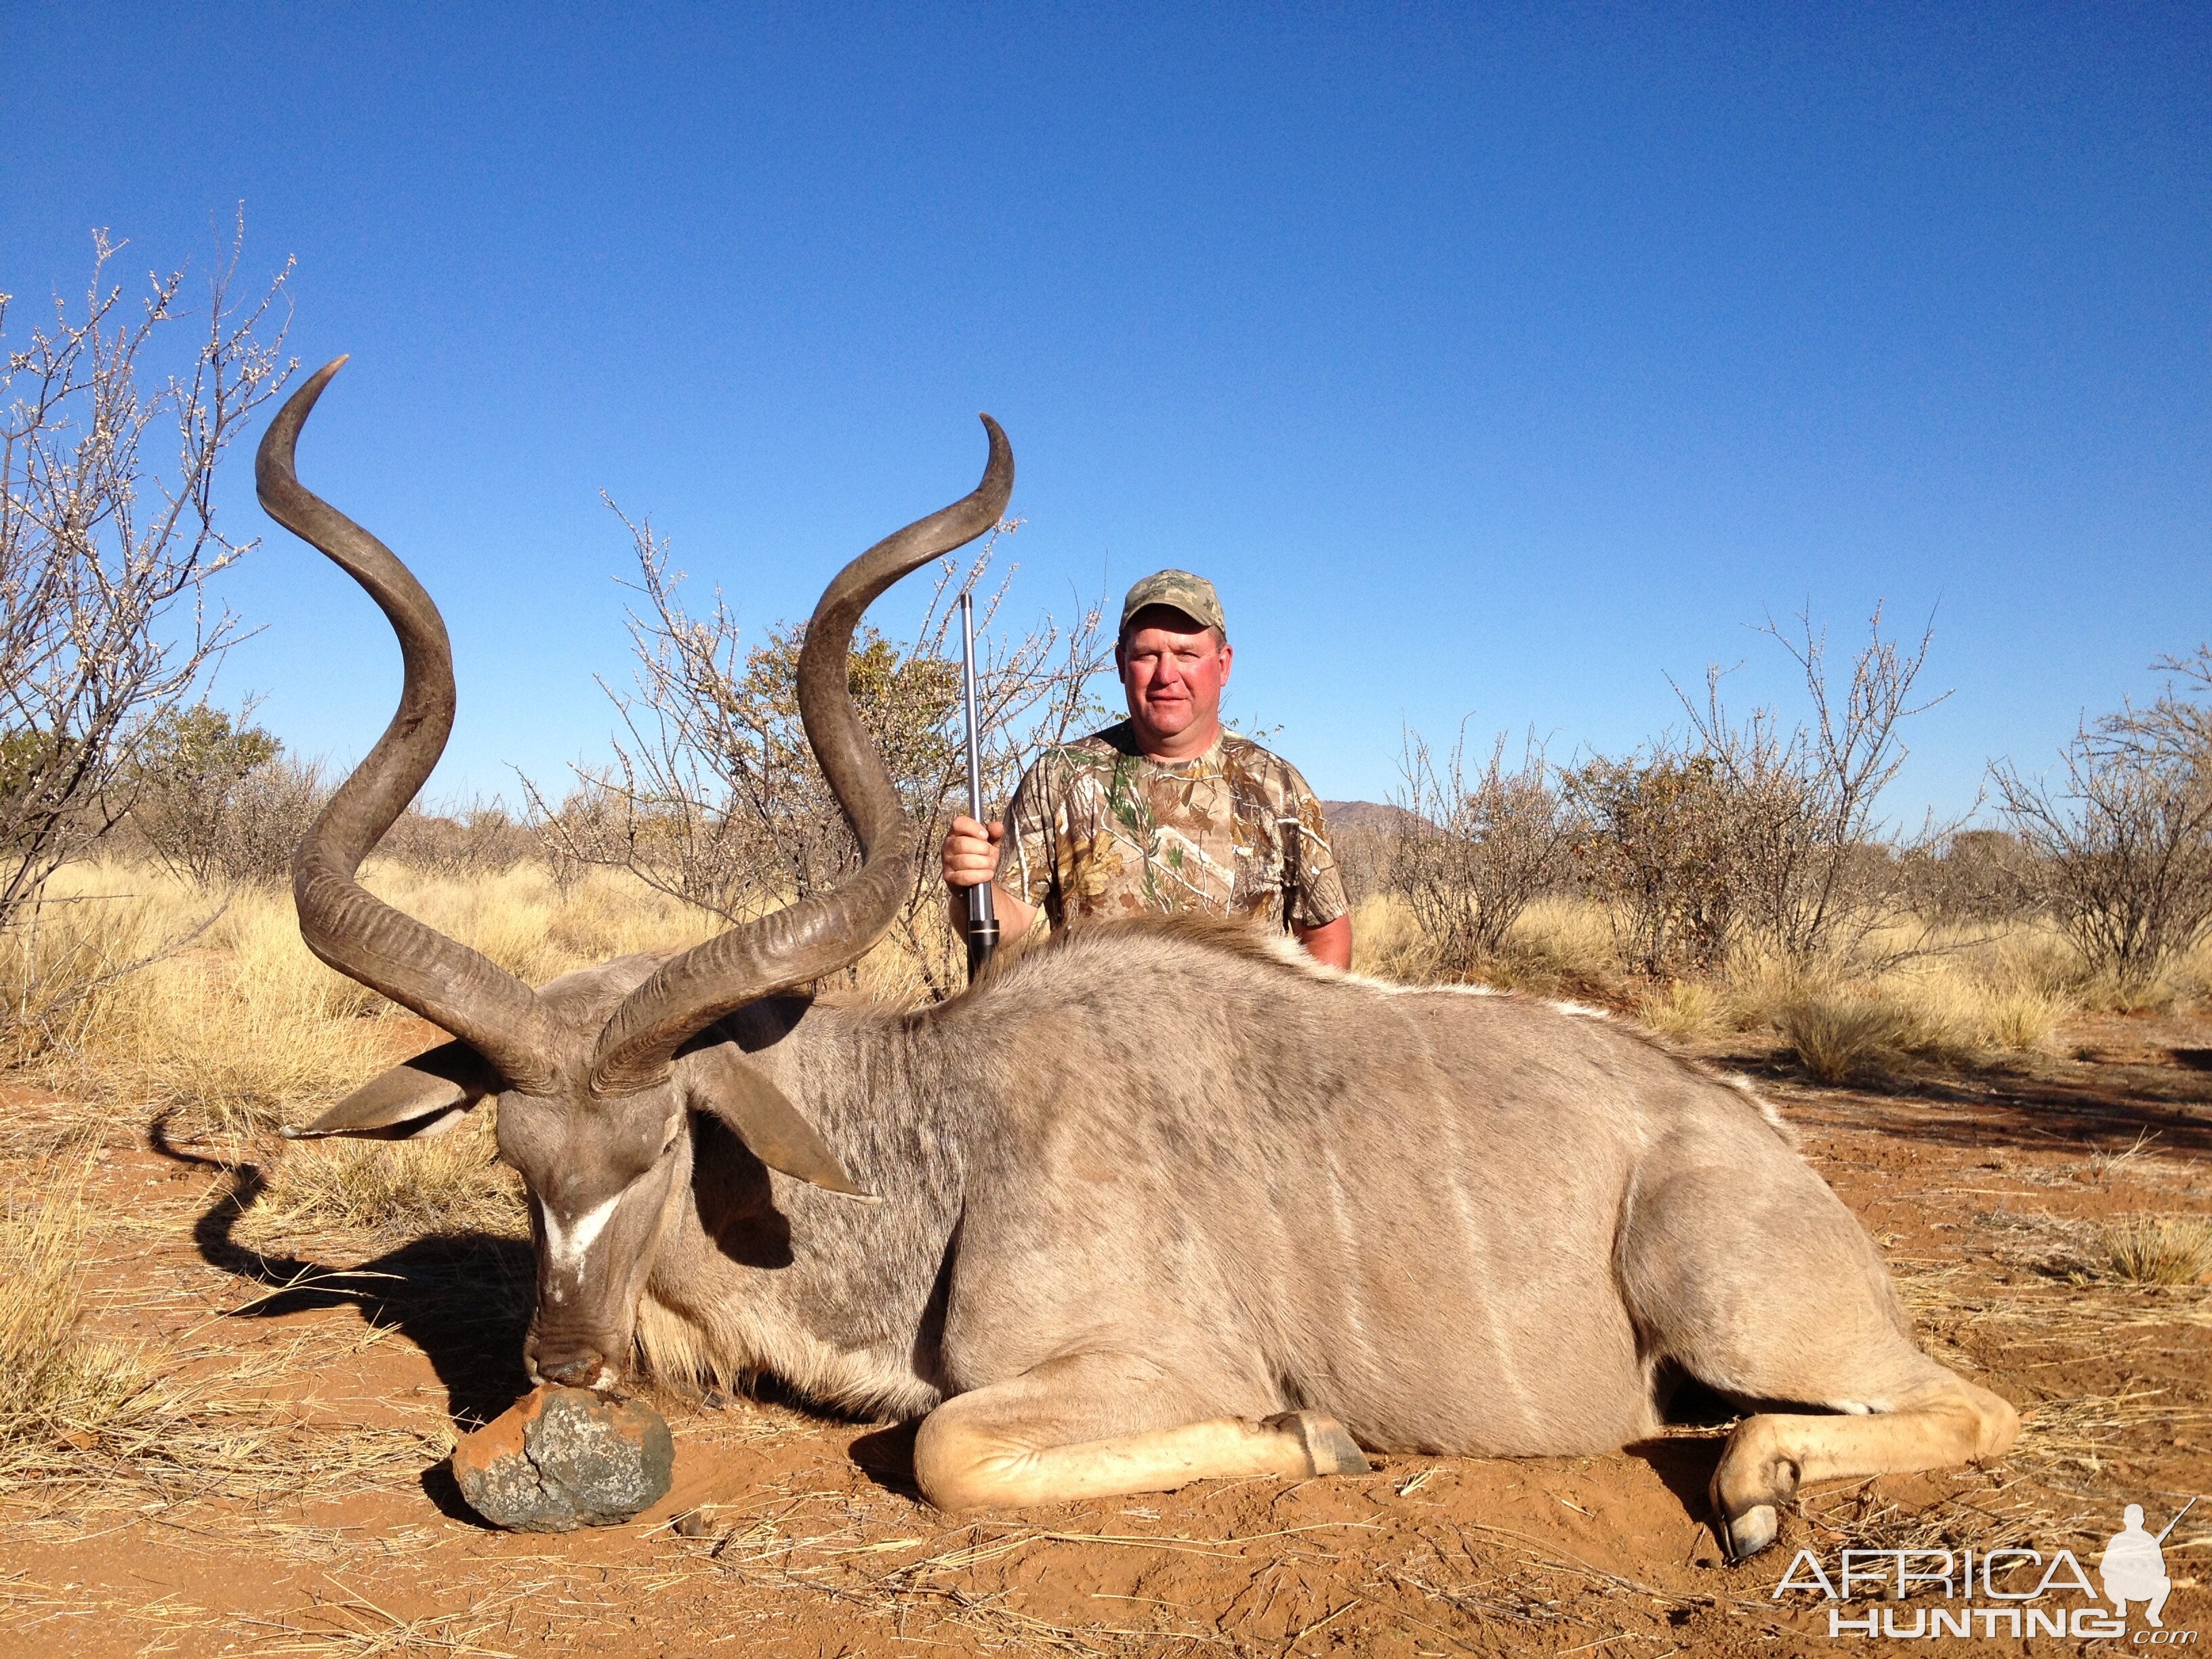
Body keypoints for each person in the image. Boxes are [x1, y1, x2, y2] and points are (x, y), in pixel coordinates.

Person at [942, 569, 1352, 968]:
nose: (1166, 675)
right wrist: (969, 886)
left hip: (1234, 1037)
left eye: (1187, 654)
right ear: (1121, 664)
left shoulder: (1277, 787)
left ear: (1223, 664)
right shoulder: (1059, 778)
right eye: (1147, 655)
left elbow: (1325, 937)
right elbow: (1006, 918)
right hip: (1095, 1035)